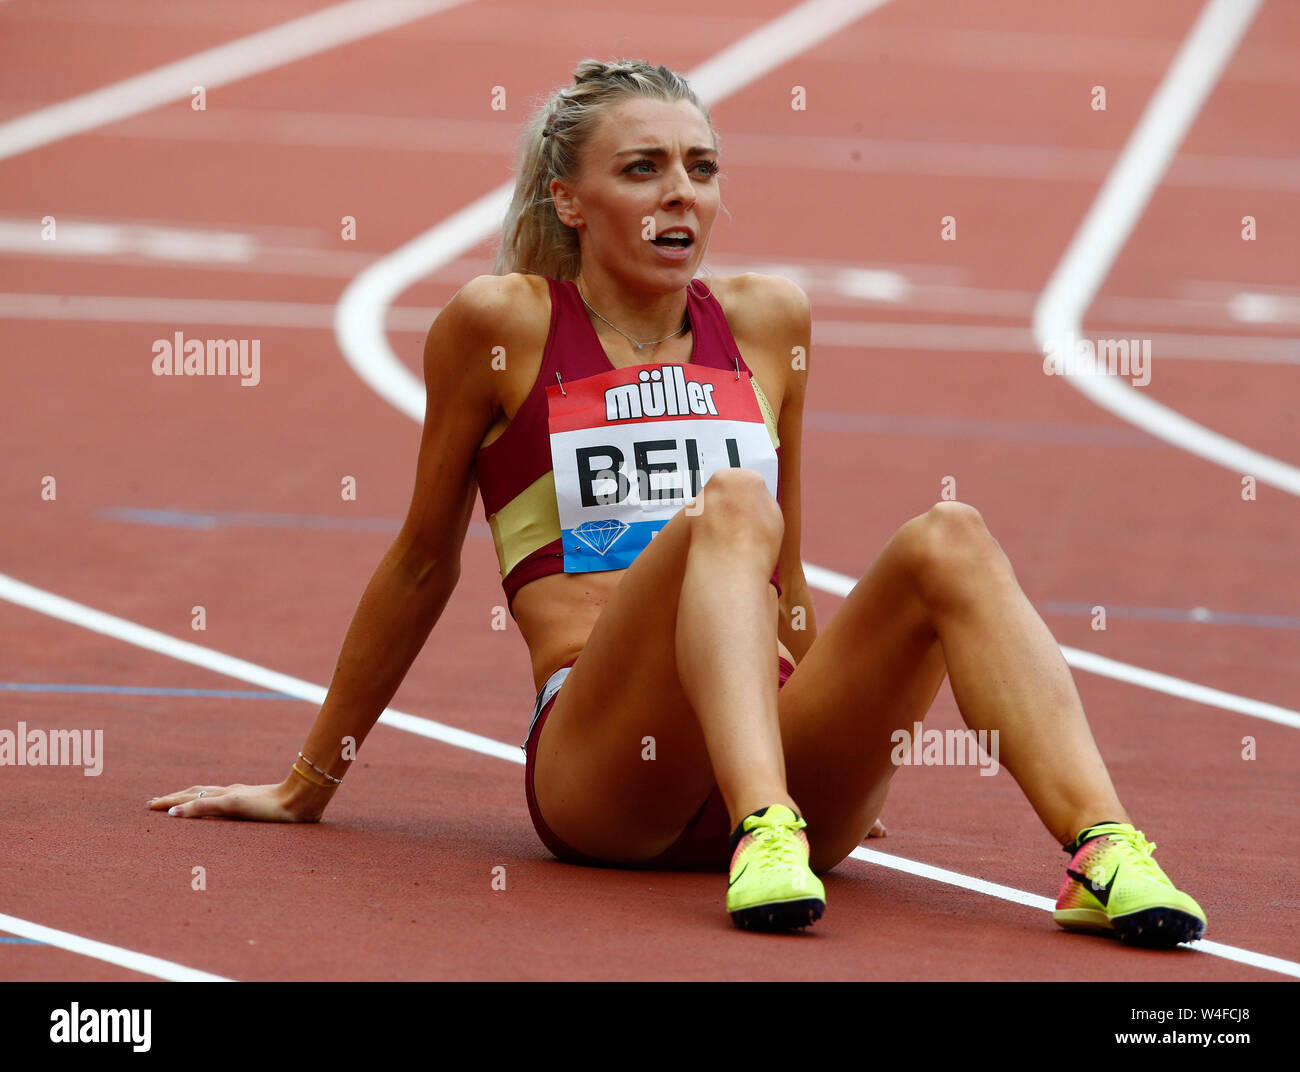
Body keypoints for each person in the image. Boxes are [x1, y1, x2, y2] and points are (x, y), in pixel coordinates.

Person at [150, 58, 1206, 944]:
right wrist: (309, 781)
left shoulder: (766, 317)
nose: (682, 194)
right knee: (731, 507)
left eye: (701, 168)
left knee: (951, 537)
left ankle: (1101, 850)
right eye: (643, 169)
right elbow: (424, 561)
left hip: (787, 756)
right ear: (569, 200)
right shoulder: (500, 324)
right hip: (608, 771)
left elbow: (786, 585)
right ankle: (765, 824)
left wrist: (837, 734)